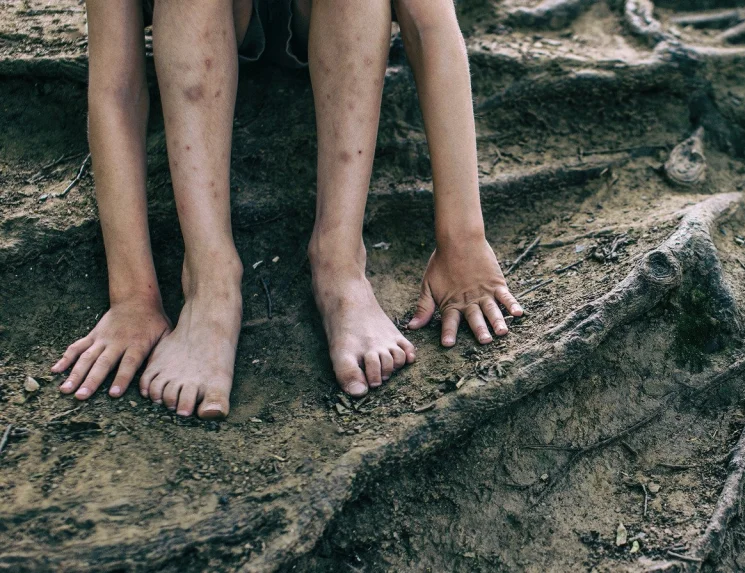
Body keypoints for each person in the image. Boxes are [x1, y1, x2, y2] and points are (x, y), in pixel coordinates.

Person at [51, 0, 523, 419]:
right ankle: (210, 285)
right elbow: (117, 87)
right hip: (200, 30)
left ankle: (340, 264)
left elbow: (430, 23)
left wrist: (462, 239)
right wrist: (133, 295)